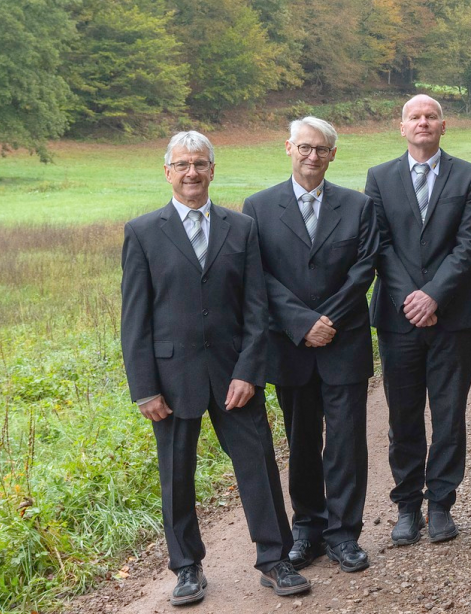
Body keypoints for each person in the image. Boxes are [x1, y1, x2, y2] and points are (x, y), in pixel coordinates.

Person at [120, 131, 309, 606]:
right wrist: (144, 389)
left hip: (235, 375)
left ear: (212, 170)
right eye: (182, 165)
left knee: (259, 466)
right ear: (168, 172)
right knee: (175, 475)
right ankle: (186, 568)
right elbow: (134, 319)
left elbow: (256, 308)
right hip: (171, 378)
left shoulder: (240, 228)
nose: (191, 173)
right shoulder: (143, 232)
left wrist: (249, 371)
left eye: (200, 164)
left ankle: (274, 559)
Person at [241, 117, 378, 573]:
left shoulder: (358, 206)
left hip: (345, 341)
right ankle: (308, 530)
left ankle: (343, 534)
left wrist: (328, 320)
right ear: (288, 148)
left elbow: (364, 269)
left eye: (321, 149)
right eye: (304, 147)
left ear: (333, 154)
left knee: (346, 441)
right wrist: (303, 323)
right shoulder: (258, 208)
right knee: (301, 442)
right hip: (291, 346)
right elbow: (259, 277)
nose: (312, 156)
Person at [365, 95, 471, 545]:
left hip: (452, 316)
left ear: (442, 125)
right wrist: (411, 299)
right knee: (404, 413)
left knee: (451, 411)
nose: (423, 122)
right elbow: (379, 245)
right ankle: (406, 505)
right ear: (402, 127)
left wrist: (434, 295)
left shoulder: (468, 176)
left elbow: (469, 244)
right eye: (415, 117)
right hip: (399, 319)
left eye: (430, 116)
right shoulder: (379, 178)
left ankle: (441, 504)